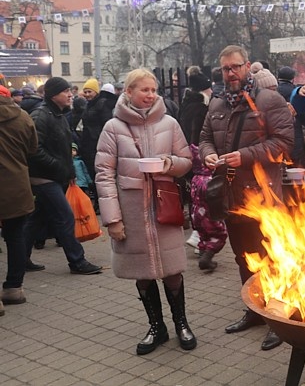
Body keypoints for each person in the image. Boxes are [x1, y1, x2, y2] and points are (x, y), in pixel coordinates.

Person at [200, 44, 294, 351]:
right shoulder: (216, 103)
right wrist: (210, 154)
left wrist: (244, 156)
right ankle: (255, 309)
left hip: (264, 196)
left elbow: (283, 143)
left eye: (235, 67)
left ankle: (279, 317)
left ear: (247, 66)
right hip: (232, 197)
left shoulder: (269, 100)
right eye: (225, 69)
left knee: (272, 258)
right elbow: (203, 138)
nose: (230, 74)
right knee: (243, 258)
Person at [96, 68, 196, 355]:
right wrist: (112, 219)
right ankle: (156, 326)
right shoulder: (113, 128)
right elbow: (103, 175)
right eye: (144, 90)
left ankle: (181, 323)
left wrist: (168, 163)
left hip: (164, 208)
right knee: (142, 273)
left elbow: (186, 161)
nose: (151, 95)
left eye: (153, 90)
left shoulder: (170, 123)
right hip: (131, 212)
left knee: (173, 271)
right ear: (128, 92)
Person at [25, 77, 103, 275]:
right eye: (65, 91)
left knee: (37, 219)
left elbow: (64, 146)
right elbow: (34, 150)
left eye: (70, 90)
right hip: (43, 178)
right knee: (65, 217)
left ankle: (20, 258)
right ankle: (77, 262)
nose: (70, 94)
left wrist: (68, 172)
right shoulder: (40, 115)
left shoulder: (58, 114)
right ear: (53, 95)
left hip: (55, 176)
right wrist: (59, 167)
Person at [179, 66, 227, 272]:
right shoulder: (202, 109)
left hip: (194, 172)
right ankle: (206, 248)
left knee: (198, 210)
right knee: (213, 213)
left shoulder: (185, 105)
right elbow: (204, 137)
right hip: (205, 167)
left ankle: (200, 241)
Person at [0, 85, 38, 314]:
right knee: (15, 237)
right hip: (16, 185)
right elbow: (32, 148)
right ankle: (14, 288)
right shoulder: (23, 117)